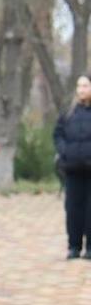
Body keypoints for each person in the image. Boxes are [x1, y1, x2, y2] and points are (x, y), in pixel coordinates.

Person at [55, 74, 91, 259]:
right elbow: (58, 133)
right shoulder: (69, 112)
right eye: (79, 86)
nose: (81, 89)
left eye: (85, 85)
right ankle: (74, 246)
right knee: (73, 209)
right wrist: (64, 151)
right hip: (72, 168)